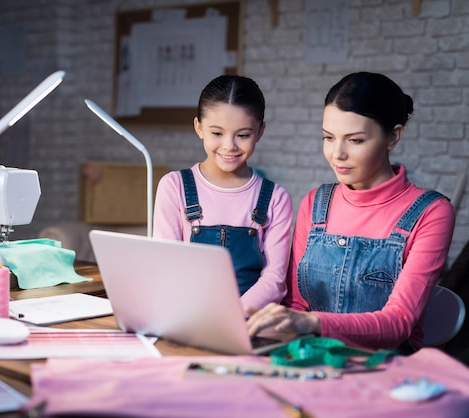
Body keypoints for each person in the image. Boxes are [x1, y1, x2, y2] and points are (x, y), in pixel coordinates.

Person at [245, 72, 455, 353]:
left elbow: (399, 322)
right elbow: (295, 305)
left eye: (355, 140)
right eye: (328, 137)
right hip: (312, 360)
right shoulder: (316, 203)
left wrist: (312, 323)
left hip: (386, 368)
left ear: (393, 136)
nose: (337, 154)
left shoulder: (431, 213)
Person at [153, 75, 293, 309]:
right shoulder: (174, 186)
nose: (229, 145)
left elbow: (274, 281)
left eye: (243, 135)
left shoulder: (276, 198)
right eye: (217, 133)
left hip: (248, 323)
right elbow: (166, 266)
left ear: (260, 132)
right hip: (187, 315)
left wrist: (232, 318)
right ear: (199, 127)